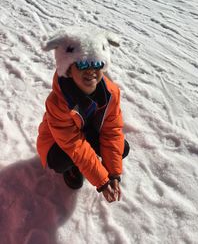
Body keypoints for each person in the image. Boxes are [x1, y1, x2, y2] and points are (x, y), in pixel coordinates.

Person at [37, 27, 130, 203]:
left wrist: (113, 174)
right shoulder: (57, 103)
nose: (91, 71)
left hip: (87, 133)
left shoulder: (111, 94)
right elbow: (74, 145)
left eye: (97, 64)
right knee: (59, 160)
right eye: (82, 64)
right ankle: (73, 168)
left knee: (121, 147)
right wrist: (102, 181)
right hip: (58, 142)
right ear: (68, 69)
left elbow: (112, 131)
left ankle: (90, 164)